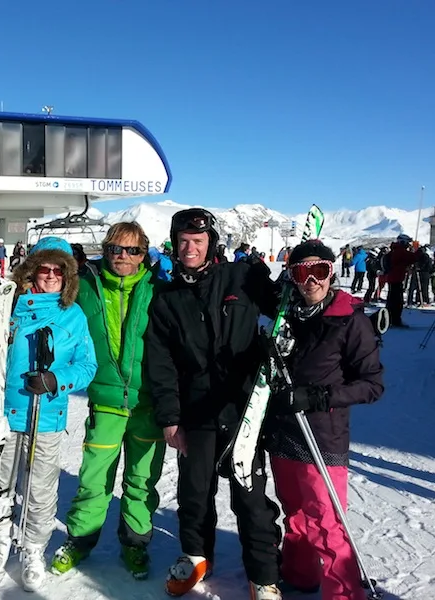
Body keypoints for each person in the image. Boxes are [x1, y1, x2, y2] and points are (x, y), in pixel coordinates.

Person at [145, 208, 283, 600]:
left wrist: (293, 292)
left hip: (244, 409)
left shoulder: (242, 277)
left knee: (251, 497)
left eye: (198, 241)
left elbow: (283, 307)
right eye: (183, 241)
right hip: (196, 409)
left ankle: (264, 575)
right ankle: (195, 555)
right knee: (194, 491)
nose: (190, 248)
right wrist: (171, 419)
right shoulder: (167, 299)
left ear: (212, 244)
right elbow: (161, 363)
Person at [266, 240, 384, 599]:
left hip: (322, 435)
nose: (311, 280)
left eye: (321, 271)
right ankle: (300, 573)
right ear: (292, 276)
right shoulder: (285, 314)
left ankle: (344, 593)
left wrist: (320, 397)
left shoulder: (350, 320)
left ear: (332, 273)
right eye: (302, 271)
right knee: (296, 515)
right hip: (285, 431)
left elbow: (372, 385)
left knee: (327, 522)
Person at [51, 222, 166, 580]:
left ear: (143, 254)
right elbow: (48, 303)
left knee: (141, 479)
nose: (122, 257)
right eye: (116, 249)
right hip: (105, 400)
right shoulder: (85, 286)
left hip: (147, 403)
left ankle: (134, 543)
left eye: (132, 250)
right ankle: (81, 540)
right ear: (106, 249)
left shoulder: (158, 289)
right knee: (94, 478)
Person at [0, 237, 97, 592]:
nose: (50, 275)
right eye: (44, 268)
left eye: (58, 270)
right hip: (8, 414)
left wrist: (56, 379)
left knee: (39, 491)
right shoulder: (10, 306)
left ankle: (33, 549)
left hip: (46, 417)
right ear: (31, 270)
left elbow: (87, 366)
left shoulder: (74, 315)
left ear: (68, 276)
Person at [382, 233, 417, 327]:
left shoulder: (395, 250)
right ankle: (395, 320)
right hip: (396, 278)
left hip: (393, 278)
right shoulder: (400, 251)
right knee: (397, 302)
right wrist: (417, 251)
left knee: (392, 300)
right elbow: (413, 258)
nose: (408, 245)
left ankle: (389, 320)